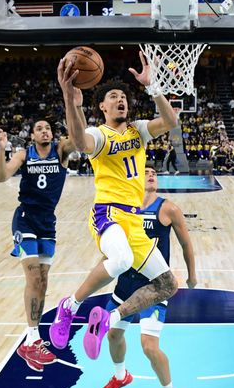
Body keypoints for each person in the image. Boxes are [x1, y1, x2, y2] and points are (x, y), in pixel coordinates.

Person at [51, 51, 179, 361]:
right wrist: (70, 99)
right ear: (102, 106)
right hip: (107, 213)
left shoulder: (138, 130)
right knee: (120, 260)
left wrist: (153, 87)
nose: (120, 99)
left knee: (167, 284)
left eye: (123, 96)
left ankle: (110, 317)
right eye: (113, 96)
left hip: (134, 222)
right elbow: (79, 143)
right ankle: (71, 306)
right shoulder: (99, 134)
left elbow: (171, 121)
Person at [96, 167, 196, 388]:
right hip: (126, 283)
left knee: (149, 346)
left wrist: (192, 276)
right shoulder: (124, 209)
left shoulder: (168, 209)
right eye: (146, 172)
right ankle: (121, 377)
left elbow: (186, 244)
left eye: (154, 172)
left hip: (154, 287)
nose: (151, 174)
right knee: (113, 336)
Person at [0, 120, 76, 372]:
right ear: (31, 135)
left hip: (48, 222)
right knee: (32, 276)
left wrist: (74, 105)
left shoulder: (61, 150)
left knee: (42, 279)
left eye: (48, 128)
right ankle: (32, 338)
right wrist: (0, 148)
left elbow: (79, 138)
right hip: (25, 219)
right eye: (39, 128)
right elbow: (1, 177)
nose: (45, 131)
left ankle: (33, 339)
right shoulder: (23, 154)